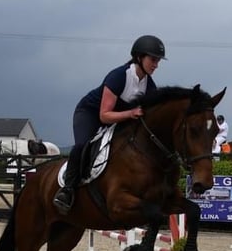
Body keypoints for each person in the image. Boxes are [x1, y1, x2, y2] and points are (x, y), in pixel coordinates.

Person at [53, 34, 166, 214]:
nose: (156, 64)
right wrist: (130, 113)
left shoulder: (149, 85)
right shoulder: (118, 76)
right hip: (90, 113)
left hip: (119, 117)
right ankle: (67, 190)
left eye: (158, 61)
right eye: (153, 59)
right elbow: (104, 116)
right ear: (139, 57)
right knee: (83, 145)